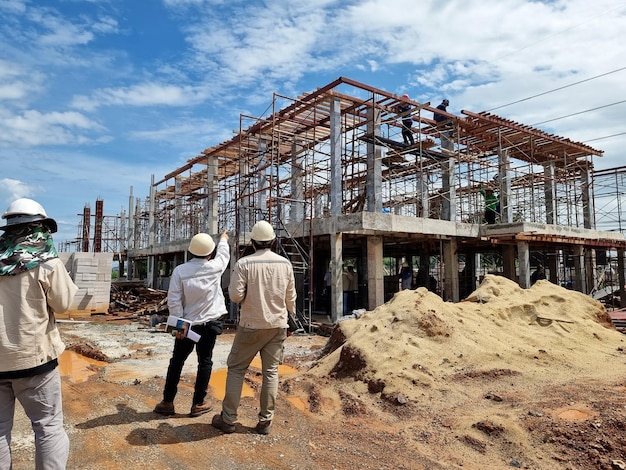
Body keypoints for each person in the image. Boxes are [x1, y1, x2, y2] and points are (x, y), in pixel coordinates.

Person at [0, 198, 78, 470]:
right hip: (35, 361)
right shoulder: (46, 262)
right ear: (40, 227)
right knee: (48, 428)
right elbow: (65, 304)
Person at [212, 221, 296, 435]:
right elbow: (291, 298)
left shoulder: (243, 264)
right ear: (273, 241)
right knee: (271, 372)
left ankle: (228, 419)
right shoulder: (285, 264)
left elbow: (235, 296)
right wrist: (291, 319)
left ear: (252, 242)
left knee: (237, 369)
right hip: (277, 325)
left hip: (250, 324)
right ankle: (265, 421)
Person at [154, 231, 230, 417]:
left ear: (191, 252)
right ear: (209, 253)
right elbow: (224, 255)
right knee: (205, 362)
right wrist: (223, 239)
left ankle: (167, 402)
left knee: (177, 361)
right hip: (210, 324)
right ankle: (198, 403)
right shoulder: (214, 267)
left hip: (186, 327)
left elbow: (174, 300)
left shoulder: (180, 271)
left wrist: (179, 325)